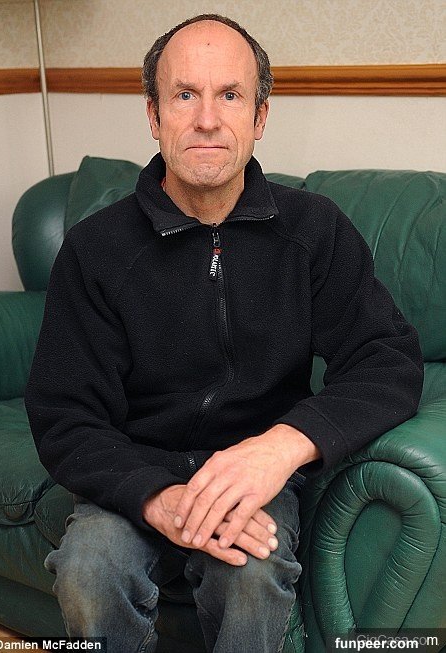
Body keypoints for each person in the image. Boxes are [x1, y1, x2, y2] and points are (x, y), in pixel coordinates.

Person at [24, 13, 424, 653]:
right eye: (185, 94)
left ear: (260, 116)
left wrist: (281, 448)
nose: (207, 119)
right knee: (90, 569)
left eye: (230, 95)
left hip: (255, 477)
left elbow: (388, 360)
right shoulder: (95, 250)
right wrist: (155, 497)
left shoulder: (314, 230)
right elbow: (64, 415)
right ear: (154, 115)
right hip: (133, 473)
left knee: (252, 573)